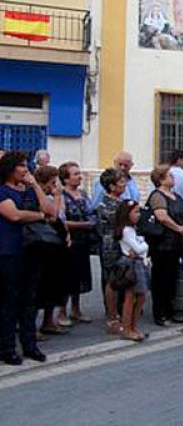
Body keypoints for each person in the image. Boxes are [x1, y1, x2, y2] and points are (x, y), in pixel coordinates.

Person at [0, 151, 54, 365]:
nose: (26, 170)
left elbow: (50, 210)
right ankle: (7, 347)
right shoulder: (3, 191)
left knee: (29, 300)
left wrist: (36, 187)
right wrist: (39, 216)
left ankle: (30, 345)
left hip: (32, 249)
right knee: (9, 300)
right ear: (10, 168)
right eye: (21, 166)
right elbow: (13, 215)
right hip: (9, 251)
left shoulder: (30, 190)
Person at [147, 165, 183, 326]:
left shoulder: (176, 195)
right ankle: (160, 312)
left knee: (173, 276)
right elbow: (162, 216)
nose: (173, 178)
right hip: (162, 244)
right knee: (160, 278)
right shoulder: (157, 196)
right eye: (169, 175)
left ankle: (171, 308)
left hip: (177, 242)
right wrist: (179, 228)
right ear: (161, 179)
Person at [33, 166, 71, 338]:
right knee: (39, 286)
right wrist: (56, 196)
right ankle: (32, 326)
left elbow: (61, 217)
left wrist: (66, 233)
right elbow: (52, 215)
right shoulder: (38, 194)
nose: (56, 185)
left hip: (57, 242)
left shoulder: (56, 195)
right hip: (42, 244)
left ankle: (49, 321)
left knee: (55, 284)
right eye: (53, 181)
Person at [57, 162, 95, 327]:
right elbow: (62, 220)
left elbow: (91, 212)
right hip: (69, 241)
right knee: (66, 276)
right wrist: (84, 225)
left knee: (80, 275)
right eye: (75, 174)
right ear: (65, 178)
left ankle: (76, 309)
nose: (79, 176)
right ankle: (62, 311)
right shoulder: (62, 196)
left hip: (83, 241)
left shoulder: (83, 194)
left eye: (79, 173)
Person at [94, 168, 127, 334]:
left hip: (120, 245)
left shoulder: (120, 202)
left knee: (121, 279)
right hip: (111, 246)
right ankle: (112, 317)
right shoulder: (106, 204)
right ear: (112, 186)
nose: (125, 185)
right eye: (121, 182)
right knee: (112, 281)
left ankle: (121, 313)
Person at [113, 200, 151, 342]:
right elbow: (140, 248)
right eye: (135, 212)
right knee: (131, 297)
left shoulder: (133, 229)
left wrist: (141, 245)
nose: (138, 215)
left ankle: (133, 326)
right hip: (131, 265)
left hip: (139, 262)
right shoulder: (126, 230)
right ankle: (127, 327)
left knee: (141, 296)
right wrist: (144, 244)